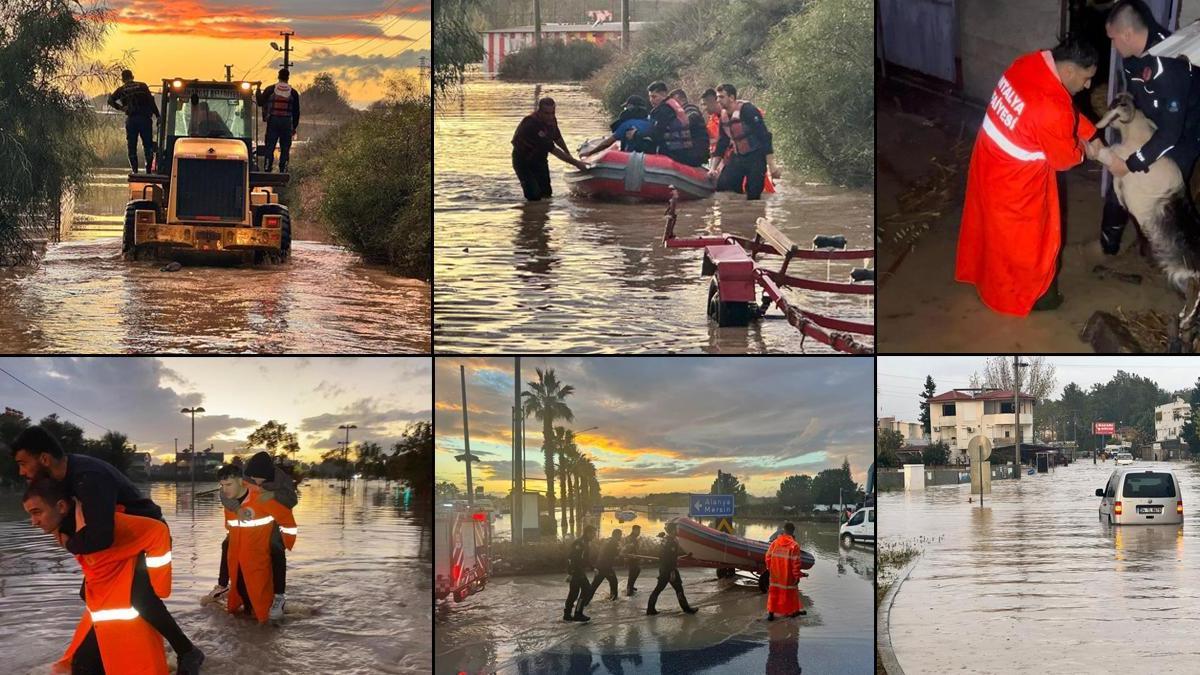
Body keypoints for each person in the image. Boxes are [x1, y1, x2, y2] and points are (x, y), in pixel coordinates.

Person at [11, 426, 205, 674]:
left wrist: (69, 542)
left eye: (23, 463)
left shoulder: (88, 477)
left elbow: (101, 537)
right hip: (119, 541)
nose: (22, 472)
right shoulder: (65, 477)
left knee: (140, 596)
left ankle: (187, 652)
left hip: (144, 537)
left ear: (45, 459)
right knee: (88, 592)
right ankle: (112, 648)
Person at [954, 40, 1099, 316]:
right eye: (1086, 78)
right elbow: (1063, 158)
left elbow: (1065, 113)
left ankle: (986, 278)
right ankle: (1033, 297)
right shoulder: (1051, 107)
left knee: (989, 229)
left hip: (988, 159)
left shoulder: (1028, 64)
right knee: (1028, 242)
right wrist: (1086, 150)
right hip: (1015, 181)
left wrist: (1090, 131)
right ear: (1068, 71)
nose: (1088, 85)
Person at [23, 478, 175, 675]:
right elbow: (93, 561)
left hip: (127, 600)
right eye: (30, 515)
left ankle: (185, 650)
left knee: (87, 667)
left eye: (37, 512)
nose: (33, 522)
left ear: (61, 506)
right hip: (105, 605)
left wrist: (159, 585)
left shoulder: (102, 523)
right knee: (83, 666)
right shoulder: (62, 531)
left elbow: (158, 531)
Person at [1099, 1, 1200, 254]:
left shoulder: (1169, 66)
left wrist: (1133, 162)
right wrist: (1127, 109)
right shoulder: (1132, 57)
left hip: (1184, 132)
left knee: (1167, 202)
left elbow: (1170, 134)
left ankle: (1182, 267)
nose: (1113, 45)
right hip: (1157, 123)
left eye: (1113, 38)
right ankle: (1107, 247)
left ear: (1127, 34)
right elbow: (1135, 93)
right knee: (1120, 179)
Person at [205, 457, 297, 619]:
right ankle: (223, 586)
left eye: (258, 478)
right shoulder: (243, 479)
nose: (254, 481)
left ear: (269, 475)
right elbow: (225, 491)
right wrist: (237, 508)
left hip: (271, 519)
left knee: (276, 549)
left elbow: (291, 503)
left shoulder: (281, 480)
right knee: (227, 545)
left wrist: (273, 495)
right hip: (242, 527)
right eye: (252, 478)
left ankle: (279, 596)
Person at [700, 88, 777, 194]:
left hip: (755, 157)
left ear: (731, 98)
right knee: (723, 187)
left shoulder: (747, 110)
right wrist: (713, 168)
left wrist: (772, 165)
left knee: (754, 194)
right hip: (737, 158)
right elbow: (722, 143)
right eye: (718, 98)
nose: (718, 100)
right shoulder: (721, 118)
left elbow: (765, 136)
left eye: (721, 97)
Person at [512, 97, 588, 201]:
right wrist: (576, 163)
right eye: (546, 113)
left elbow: (557, 138)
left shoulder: (552, 120)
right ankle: (532, 215)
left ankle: (543, 215)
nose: (550, 116)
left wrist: (568, 154)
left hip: (540, 159)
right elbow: (553, 150)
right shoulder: (531, 123)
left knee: (547, 194)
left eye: (552, 113)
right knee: (534, 196)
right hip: (523, 160)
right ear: (539, 111)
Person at [107, 69, 160, 174]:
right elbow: (151, 101)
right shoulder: (143, 86)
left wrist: (121, 108)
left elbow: (110, 100)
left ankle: (135, 171)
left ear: (123, 79)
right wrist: (158, 115)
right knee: (148, 145)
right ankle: (148, 171)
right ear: (133, 76)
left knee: (132, 146)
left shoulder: (122, 89)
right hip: (145, 119)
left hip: (131, 120)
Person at [646, 81, 706, 167]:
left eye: (654, 97)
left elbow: (656, 134)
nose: (651, 100)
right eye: (650, 97)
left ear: (663, 95)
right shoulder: (673, 106)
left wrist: (637, 134)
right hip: (684, 151)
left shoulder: (663, 110)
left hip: (673, 153)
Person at [646, 521, 698, 615]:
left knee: (659, 589)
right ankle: (686, 609)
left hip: (664, 569)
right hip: (669, 570)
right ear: (673, 530)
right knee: (677, 589)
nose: (677, 531)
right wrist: (672, 571)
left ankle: (650, 609)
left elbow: (665, 556)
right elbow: (670, 559)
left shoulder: (664, 540)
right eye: (676, 529)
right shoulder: (671, 542)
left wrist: (685, 557)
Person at [581, 95, 655, 158]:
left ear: (630, 109)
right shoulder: (652, 122)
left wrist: (590, 153)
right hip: (649, 157)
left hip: (629, 157)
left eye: (626, 108)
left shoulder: (626, 124)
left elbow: (607, 143)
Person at [259, 68, 301, 172]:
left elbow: (260, 102)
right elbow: (296, 112)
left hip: (273, 120)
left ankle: (267, 167)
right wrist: (294, 127)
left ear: (278, 76)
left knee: (270, 146)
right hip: (286, 122)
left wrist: (258, 89)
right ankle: (283, 169)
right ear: (288, 77)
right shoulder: (293, 93)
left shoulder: (270, 89)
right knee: (285, 147)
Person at [765, 522, 806, 621]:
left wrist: (770, 569)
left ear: (784, 530)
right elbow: (796, 563)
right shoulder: (794, 545)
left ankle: (771, 614)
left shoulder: (775, 542)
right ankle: (792, 612)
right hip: (788, 576)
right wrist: (797, 576)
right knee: (790, 594)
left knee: (774, 593)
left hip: (775, 574)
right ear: (793, 532)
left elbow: (767, 557)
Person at [668, 88, 712, 166]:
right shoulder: (682, 112)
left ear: (678, 98)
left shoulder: (690, 108)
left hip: (697, 150)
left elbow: (691, 118)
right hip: (694, 149)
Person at [564, 525, 596, 622]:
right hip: (576, 571)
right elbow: (571, 558)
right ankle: (578, 613)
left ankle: (567, 615)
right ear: (588, 533)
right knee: (587, 590)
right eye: (593, 533)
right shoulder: (580, 543)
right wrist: (571, 573)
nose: (594, 535)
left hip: (578, 571)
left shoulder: (585, 542)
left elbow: (585, 559)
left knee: (573, 593)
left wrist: (592, 567)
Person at [588, 529, 622, 601]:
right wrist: (621, 554)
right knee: (613, 582)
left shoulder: (607, 540)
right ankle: (613, 600)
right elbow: (616, 554)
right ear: (616, 535)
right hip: (606, 566)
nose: (621, 537)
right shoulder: (613, 542)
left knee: (594, 585)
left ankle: (585, 601)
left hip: (600, 565)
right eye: (620, 535)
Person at [624, 524, 642, 596]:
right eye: (638, 531)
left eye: (639, 531)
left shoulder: (634, 538)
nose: (639, 532)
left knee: (637, 570)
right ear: (634, 530)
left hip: (635, 557)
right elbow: (627, 548)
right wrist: (630, 555)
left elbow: (636, 548)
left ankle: (631, 586)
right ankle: (629, 589)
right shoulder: (630, 538)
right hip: (631, 558)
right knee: (632, 573)